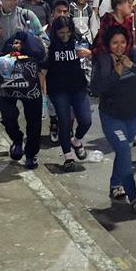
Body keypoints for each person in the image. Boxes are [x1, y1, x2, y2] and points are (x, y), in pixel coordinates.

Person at [91, 24, 136, 212]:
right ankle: (134, 198)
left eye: (122, 43)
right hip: (112, 117)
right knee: (124, 152)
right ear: (108, 44)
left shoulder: (134, 54)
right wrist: (116, 73)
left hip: (133, 116)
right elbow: (96, 90)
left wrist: (133, 66)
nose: (119, 47)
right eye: (114, 43)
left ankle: (114, 185)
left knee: (122, 153)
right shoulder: (103, 60)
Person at [41, 16, 92, 172]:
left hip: (78, 86)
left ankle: (76, 141)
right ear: (56, 32)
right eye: (61, 33)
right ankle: (68, 157)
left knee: (85, 120)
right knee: (64, 122)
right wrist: (44, 92)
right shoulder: (49, 47)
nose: (65, 36)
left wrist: (88, 53)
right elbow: (42, 70)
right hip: (58, 89)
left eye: (67, 32)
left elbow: (90, 53)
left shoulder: (76, 42)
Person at [0, 31, 46, 169]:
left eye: (20, 43)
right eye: (15, 43)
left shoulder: (30, 20)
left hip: (31, 89)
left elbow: (43, 50)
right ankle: (17, 140)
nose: (17, 45)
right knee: (8, 117)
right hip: (6, 88)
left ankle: (31, 155)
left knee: (34, 123)